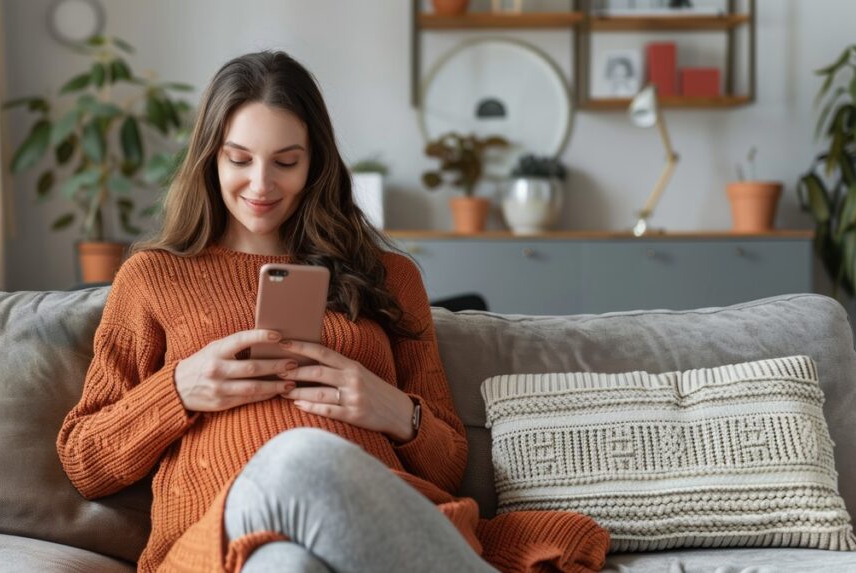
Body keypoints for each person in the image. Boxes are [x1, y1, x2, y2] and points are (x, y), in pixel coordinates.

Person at [56, 50, 609, 573]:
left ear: (316, 162)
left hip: (373, 523)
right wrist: (179, 389)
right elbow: (85, 462)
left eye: (286, 162)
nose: (261, 184)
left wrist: (392, 410)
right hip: (213, 538)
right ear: (209, 158)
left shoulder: (390, 277)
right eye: (240, 159)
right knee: (295, 462)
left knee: (286, 563)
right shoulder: (153, 277)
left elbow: (448, 467)